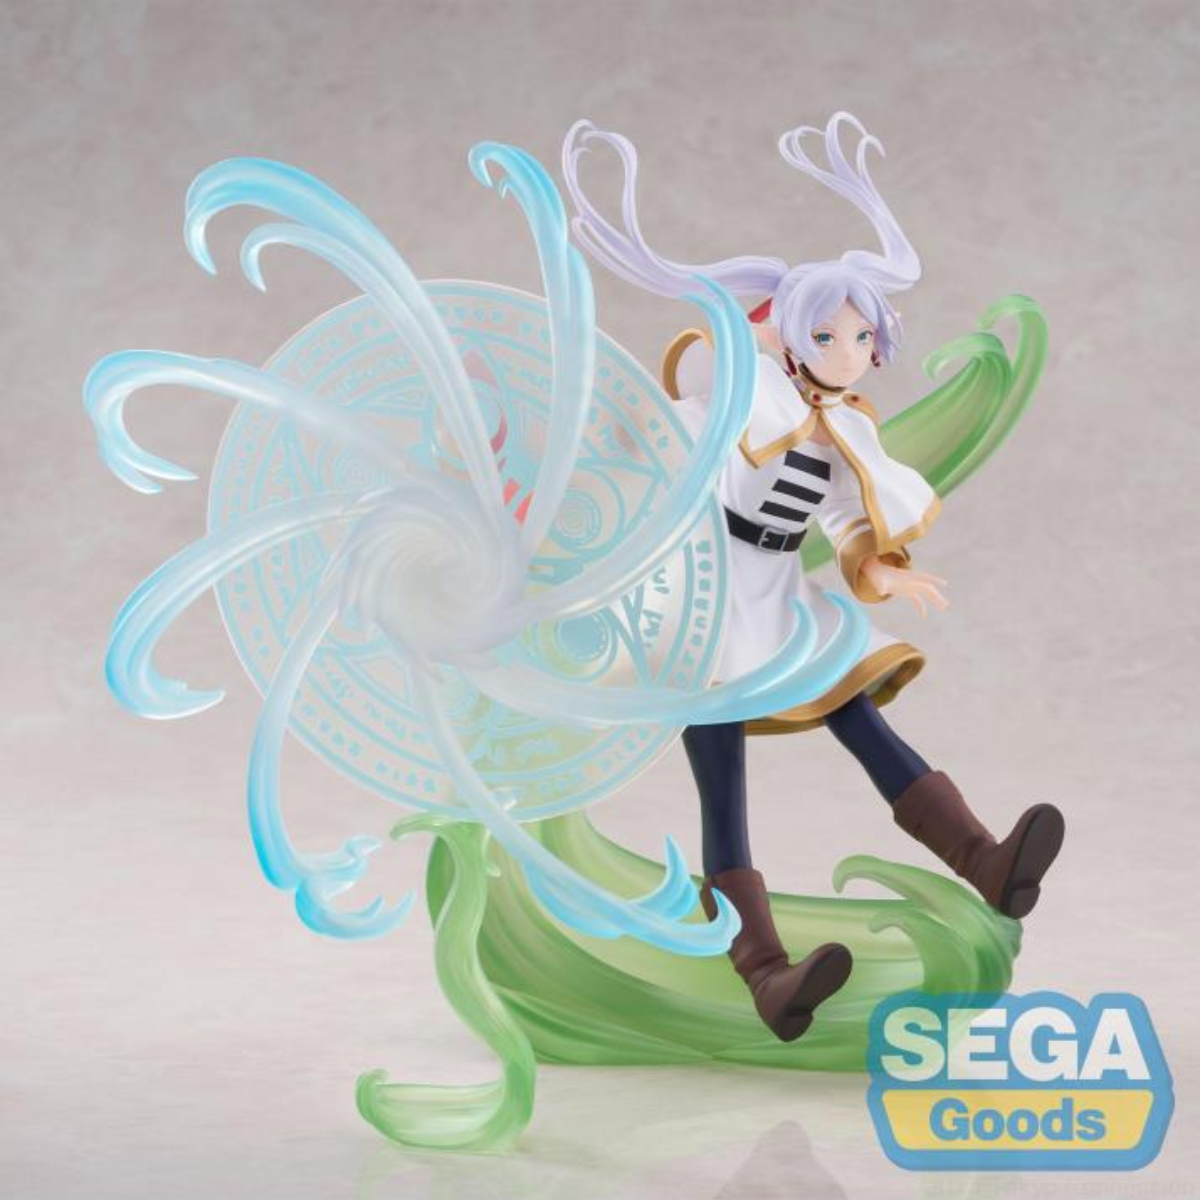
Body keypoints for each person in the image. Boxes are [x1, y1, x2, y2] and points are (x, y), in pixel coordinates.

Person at [561, 112, 1065, 1042]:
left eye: (861, 336)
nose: (848, 350)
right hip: (706, 602)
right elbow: (653, 437)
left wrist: (879, 566)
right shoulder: (737, 398)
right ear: (792, 338)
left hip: (780, 598)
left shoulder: (847, 429)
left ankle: (985, 860)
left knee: (858, 714)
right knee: (722, 781)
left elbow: (842, 520)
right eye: (828, 334)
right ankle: (764, 972)